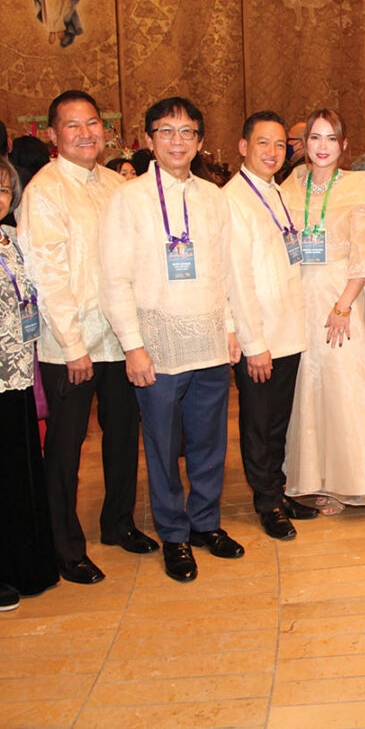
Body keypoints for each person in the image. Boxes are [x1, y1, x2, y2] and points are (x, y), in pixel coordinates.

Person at [99, 97, 243, 583]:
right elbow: (114, 279)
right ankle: (174, 535)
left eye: (187, 132)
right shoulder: (128, 197)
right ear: (147, 140)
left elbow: (223, 273)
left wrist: (229, 330)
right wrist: (133, 345)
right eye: (166, 131)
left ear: (200, 141)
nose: (177, 141)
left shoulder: (213, 197)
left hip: (207, 342)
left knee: (209, 442)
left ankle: (205, 523)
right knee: (161, 448)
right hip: (156, 345)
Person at [18, 90, 153, 586]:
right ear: (52, 136)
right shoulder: (46, 190)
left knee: (123, 437)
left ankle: (117, 523)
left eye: (92, 123)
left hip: (119, 338)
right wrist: (73, 346)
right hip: (71, 347)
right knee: (67, 449)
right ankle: (64, 546)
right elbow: (48, 276)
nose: (85, 133)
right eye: (72, 126)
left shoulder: (116, 183)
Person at [281, 109, 365, 515]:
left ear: (344, 145)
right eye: (315, 138)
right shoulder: (291, 183)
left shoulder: (356, 185)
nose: (322, 146)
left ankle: (347, 482)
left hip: (340, 297)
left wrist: (344, 304)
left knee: (341, 386)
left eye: (331, 138)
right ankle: (311, 478)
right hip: (299, 297)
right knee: (307, 389)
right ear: (304, 143)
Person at [223, 112, 317, 540]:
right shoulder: (233, 200)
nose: (272, 152)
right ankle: (266, 502)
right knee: (259, 423)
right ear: (243, 147)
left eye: (280, 145)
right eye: (263, 143)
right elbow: (236, 279)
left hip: (288, 330)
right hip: (259, 335)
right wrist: (252, 341)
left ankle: (277, 490)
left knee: (279, 420)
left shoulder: (278, 193)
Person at [0, 158, 58, 611]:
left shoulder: (10, 237)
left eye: (3, 190)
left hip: (16, 373)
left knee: (19, 472)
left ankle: (28, 564)